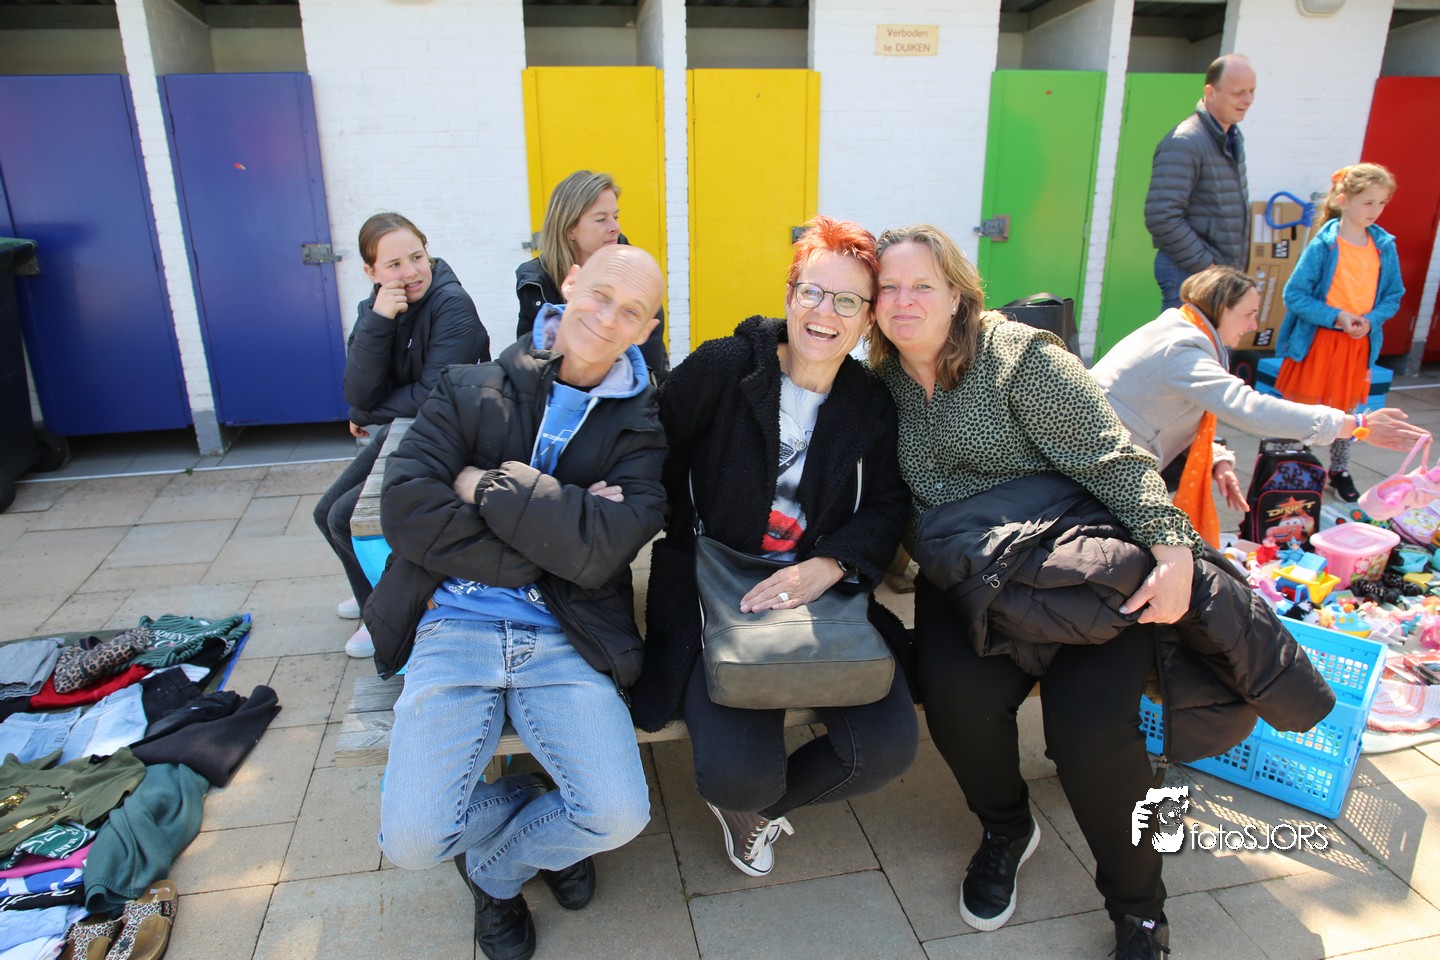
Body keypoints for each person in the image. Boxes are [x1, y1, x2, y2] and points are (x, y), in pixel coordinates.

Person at [869, 225, 1332, 960]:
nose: (903, 301)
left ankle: (1139, 909)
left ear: (957, 293)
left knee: (1091, 732)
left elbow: (1115, 459)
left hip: (1077, 562)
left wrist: (1172, 552)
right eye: (887, 287)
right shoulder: (880, 383)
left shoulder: (1018, 358)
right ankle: (1007, 829)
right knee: (957, 702)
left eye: (921, 284)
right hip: (969, 575)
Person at [364, 244, 666, 960]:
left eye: (631, 312)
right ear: (571, 282)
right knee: (410, 842)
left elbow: (603, 552)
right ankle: (535, 816)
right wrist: (564, 519)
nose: (608, 319)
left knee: (617, 814)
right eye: (600, 295)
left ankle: (497, 874)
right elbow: (405, 510)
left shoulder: (643, 427)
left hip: (567, 631)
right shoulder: (470, 386)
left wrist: (482, 486)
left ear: (648, 329)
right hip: (451, 626)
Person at [629, 215, 916, 879]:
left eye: (847, 300)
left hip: (818, 595)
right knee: (737, 776)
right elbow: (653, 450)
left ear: (867, 319)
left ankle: (762, 808)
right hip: (716, 591)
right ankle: (742, 802)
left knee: (882, 750)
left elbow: (887, 504)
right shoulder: (726, 368)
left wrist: (832, 563)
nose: (825, 313)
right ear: (789, 294)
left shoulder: (870, 403)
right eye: (813, 291)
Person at [1092, 265, 1425, 544]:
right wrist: (1354, 424)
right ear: (1221, 308)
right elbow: (1247, 406)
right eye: (1249, 314)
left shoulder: (1179, 329)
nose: (1253, 325)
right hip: (1100, 472)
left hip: (1108, 457)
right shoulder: (1182, 347)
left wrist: (1217, 459)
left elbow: (1179, 411)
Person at [314, 213, 488, 659]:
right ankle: (372, 593)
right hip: (409, 430)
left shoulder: (452, 305)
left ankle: (384, 615)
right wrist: (379, 323)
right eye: (394, 264)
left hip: (458, 439)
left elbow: (433, 393)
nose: (411, 272)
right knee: (325, 512)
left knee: (344, 517)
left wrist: (366, 412)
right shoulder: (376, 308)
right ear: (371, 272)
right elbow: (359, 391)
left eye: (417, 257)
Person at [1275, 163, 1405, 503]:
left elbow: (1393, 295)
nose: (1375, 210)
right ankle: (1294, 464)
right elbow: (1295, 295)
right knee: (1303, 410)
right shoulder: (1325, 244)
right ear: (1344, 200)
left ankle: (1339, 470)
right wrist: (1336, 317)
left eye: (1382, 203)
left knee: (1350, 412)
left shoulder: (1384, 246)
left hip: (1357, 345)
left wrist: (1371, 320)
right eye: (1368, 202)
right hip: (1318, 343)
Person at [517, 169, 669, 383]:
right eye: (601, 219)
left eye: (615, 217)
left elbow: (649, 370)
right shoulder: (536, 282)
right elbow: (527, 364)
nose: (615, 227)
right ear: (570, 228)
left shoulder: (636, 280)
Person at [1145, 54, 1256, 309]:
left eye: (1252, 91)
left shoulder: (1231, 137)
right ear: (1210, 92)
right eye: (1238, 92)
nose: (1248, 99)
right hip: (1192, 275)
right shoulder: (1186, 141)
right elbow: (1162, 216)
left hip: (1216, 278)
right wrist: (1208, 268)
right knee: (1186, 337)